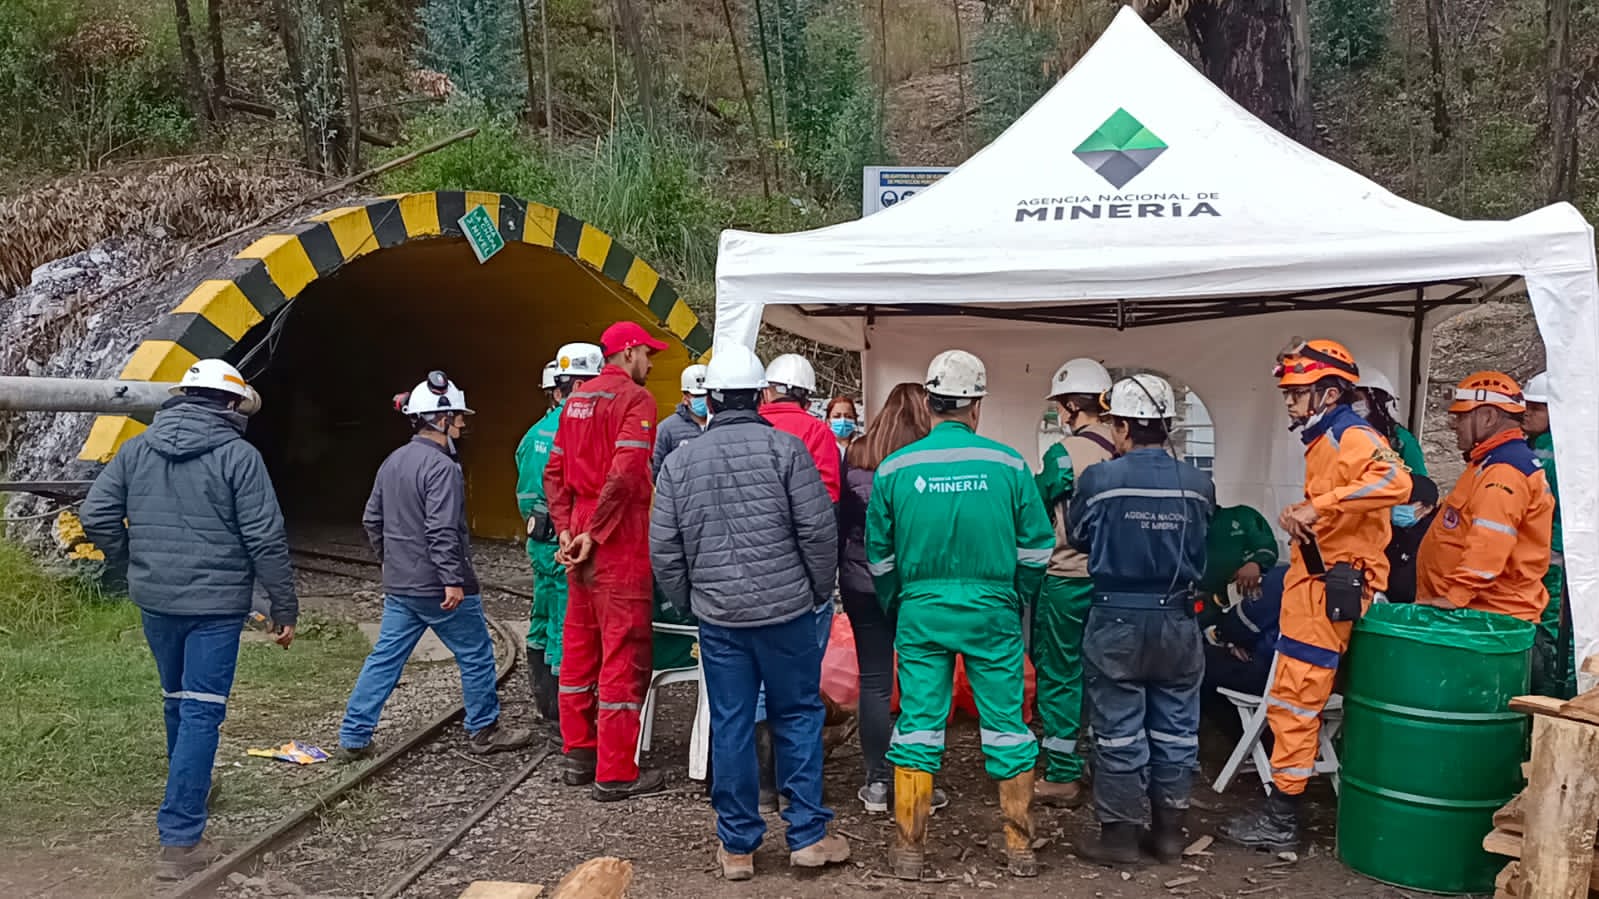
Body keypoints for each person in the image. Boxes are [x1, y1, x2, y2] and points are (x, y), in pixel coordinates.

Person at [80, 359, 297, 881]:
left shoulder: (136, 449)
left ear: (182, 397)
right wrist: (283, 607)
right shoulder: (238, 457)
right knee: (201, 711)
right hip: (215, 608)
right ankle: (180, 841)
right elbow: (265, 537)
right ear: (230, 405)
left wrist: (132, 559)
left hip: (156, 601)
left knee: (178, 702)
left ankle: (190, 788)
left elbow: (95, 514)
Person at [651, 344, 851, 880]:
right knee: (799, 714)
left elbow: (665, 550)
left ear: (709, 398)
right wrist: (812, 591)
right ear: (759, 395)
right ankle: (807, 836)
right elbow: (817, 531)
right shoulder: (788, 452)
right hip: (786, 613)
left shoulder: (679, 461)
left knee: (733, 722)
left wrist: (695, 600)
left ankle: (737, 846)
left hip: (721, 621)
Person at [867, 349, 1053, 879]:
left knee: (920, 726)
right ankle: (1018, 848)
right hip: (992, 610)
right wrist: (1015, 594)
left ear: (928, 402)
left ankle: (909, 849)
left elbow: (878, 555)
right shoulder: (1010, 464)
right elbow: (1037, 548)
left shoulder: (895, 468)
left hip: (921, 610)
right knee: (1007, 726)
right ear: (977, 406)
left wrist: (897, 601)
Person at [1222, 339, 1410, 853]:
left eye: (1297, 392)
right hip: (1317, 583)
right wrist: (1306, 515)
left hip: (1332, 590)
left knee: (1295, 700)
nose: (1288, 401)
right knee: (1291, 695)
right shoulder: (1325, 438)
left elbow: (1396, 480)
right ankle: (1283, 808)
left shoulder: (1351, 434)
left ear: (1328, 393)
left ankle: (1282, 817)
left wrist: (1318, 507)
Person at [339, 372, 534, 763]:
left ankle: (354, 734)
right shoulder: (443, 468)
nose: (463, 424)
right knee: (477, 653)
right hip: (439, 588)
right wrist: (452, 580)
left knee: (385, 658)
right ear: (440, 419)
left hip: (401, 585)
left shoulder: (393, 461)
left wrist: (390, 561)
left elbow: (371, 520)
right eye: (458, 417)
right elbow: (442, 529)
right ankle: (484, 730)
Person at [1066, 373, 1216, 866]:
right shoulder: (1198, 484)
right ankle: (1170, 834)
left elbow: (1081, 536)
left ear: (1125, 426)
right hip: (1178, 619)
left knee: (1117, 729)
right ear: (1167, 425)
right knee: (1176, 728)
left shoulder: (1099, 479)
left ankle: (1121, 838)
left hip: (1117, 616)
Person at [545, 321, 669, 800]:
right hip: (617, 534)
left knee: (579, 644)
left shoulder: (574, 400)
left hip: (578, 525)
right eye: (647, 354)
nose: (651, 364)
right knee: (623, 651)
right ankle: (616, 772)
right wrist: (596, 535)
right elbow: (624, 473)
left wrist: (566, 530)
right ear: (630, 351)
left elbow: (554, 472)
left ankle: (579, 751)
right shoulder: (637, 401)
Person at [839, 382, 939, 813]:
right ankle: (916, 783)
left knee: (875, 682)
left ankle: (877, 782)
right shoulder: (926, 457)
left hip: (860, 580)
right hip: (915, 583)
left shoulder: (857, 452)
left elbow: (843, 520)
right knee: (921, 682)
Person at [1031, 356, 1116, 808]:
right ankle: (1110, 765)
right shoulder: (1126, 446)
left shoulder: (1063, 454)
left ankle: (1064, 772)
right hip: (1115, 582)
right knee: (1108, 674)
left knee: (1061, 673)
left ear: (1068, 406)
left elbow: (1034, 507)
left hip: (1066, 577)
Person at [1416, 372, 1556, 629]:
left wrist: (1456, 595)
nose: (1453, 425)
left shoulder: (1504, 471)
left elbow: (1490, 541)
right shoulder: (1492, 463)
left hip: (1487, 619)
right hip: (1479, 615)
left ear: (1488, 417)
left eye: (1461, 416)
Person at [515, 348, 603, 741]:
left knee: (542, 619)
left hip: (540, 542)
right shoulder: (581, 432)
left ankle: (547, 707)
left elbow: (525, 488)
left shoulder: (533, 435)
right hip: (569, 543)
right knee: (569, 630)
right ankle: (569, 723)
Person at [1523, 373, 1576, 697]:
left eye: (1536, 408)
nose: (1527, 412)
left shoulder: (1557, 452)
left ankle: (1559, 698)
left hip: (1552, 561)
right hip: (1540, 557)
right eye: (1526, 405)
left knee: (1555, 632)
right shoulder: (1534, 446)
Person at [761, 353, 841, 502]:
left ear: (766, 391)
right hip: (801, 519)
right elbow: (828, 494)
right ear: (806, 398)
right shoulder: (818, 431)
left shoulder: (745, 426)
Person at [1203, 565, 1287, 703]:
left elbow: (1243, 622)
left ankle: (1217, 723)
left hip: (1271, 678)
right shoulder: (1330, 581)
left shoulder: (1288, 578)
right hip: (1314, 683)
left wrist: (1220, 633)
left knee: (1196, 659)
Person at [1197, 505, 1279, 607]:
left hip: (1242, 602)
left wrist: (1255, 563)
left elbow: (1268, 547)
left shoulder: (1241, 515)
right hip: (1196, 602)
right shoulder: (1180, 526)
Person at [1354, 367, 1428, 476]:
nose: (1351, 405)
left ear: (1377, 400)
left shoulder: (1401, 441)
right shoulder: (1338, 436)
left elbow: (1421, 484)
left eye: (1356, 399)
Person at [1382, 476, 1440, 605]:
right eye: (1395, 501)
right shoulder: (1388, 528)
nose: (1397, 507)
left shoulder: (1436, 537)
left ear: (1428, 508)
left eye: (1405, 503)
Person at [652, 363, 709, 480]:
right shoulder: (667, 429)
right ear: (685, 396)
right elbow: (655, 469)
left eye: (706, 395)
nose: (703, 399)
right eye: (697, 396)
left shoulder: (720, 424)